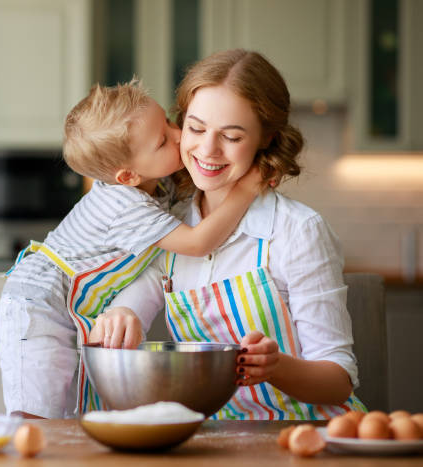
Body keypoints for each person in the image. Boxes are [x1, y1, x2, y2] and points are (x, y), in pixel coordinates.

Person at [90, 49, 367, 420]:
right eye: (197, 128)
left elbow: (338, 381)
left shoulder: (298, 231)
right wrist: (121, 313)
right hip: (214, 439)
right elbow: (138, 296)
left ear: (265, 138)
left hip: (305, 435)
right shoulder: (171, 225)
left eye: (232, 136)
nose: (207, 149)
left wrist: (276, 367)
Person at [0, 80, 262, 419]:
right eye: (163, 140)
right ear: (127, 176)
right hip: (37, 304)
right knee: (38, 411)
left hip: (65, 302)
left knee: (71, 410)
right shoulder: (123, 204)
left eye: (168, 121)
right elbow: (197, 243)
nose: (179, 134)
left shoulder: (156, 183)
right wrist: (247, 189)